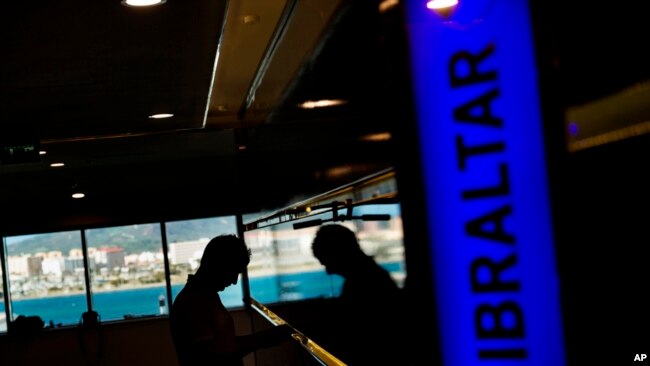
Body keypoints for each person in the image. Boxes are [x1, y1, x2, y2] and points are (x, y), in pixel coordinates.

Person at [169, 234, 293, 366]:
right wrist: (261, 339)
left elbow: (220, 345)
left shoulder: (202, 295)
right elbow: (210, 355)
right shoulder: (194, 301)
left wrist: (261, 339)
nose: (234, 281)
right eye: (233, 272)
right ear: (219, 265)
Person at [311, 224, 408, 365]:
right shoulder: (370, 276)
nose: (328, 271)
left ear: (339, 254)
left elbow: (357, 335)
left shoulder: (363, 283)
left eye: (327, 262)